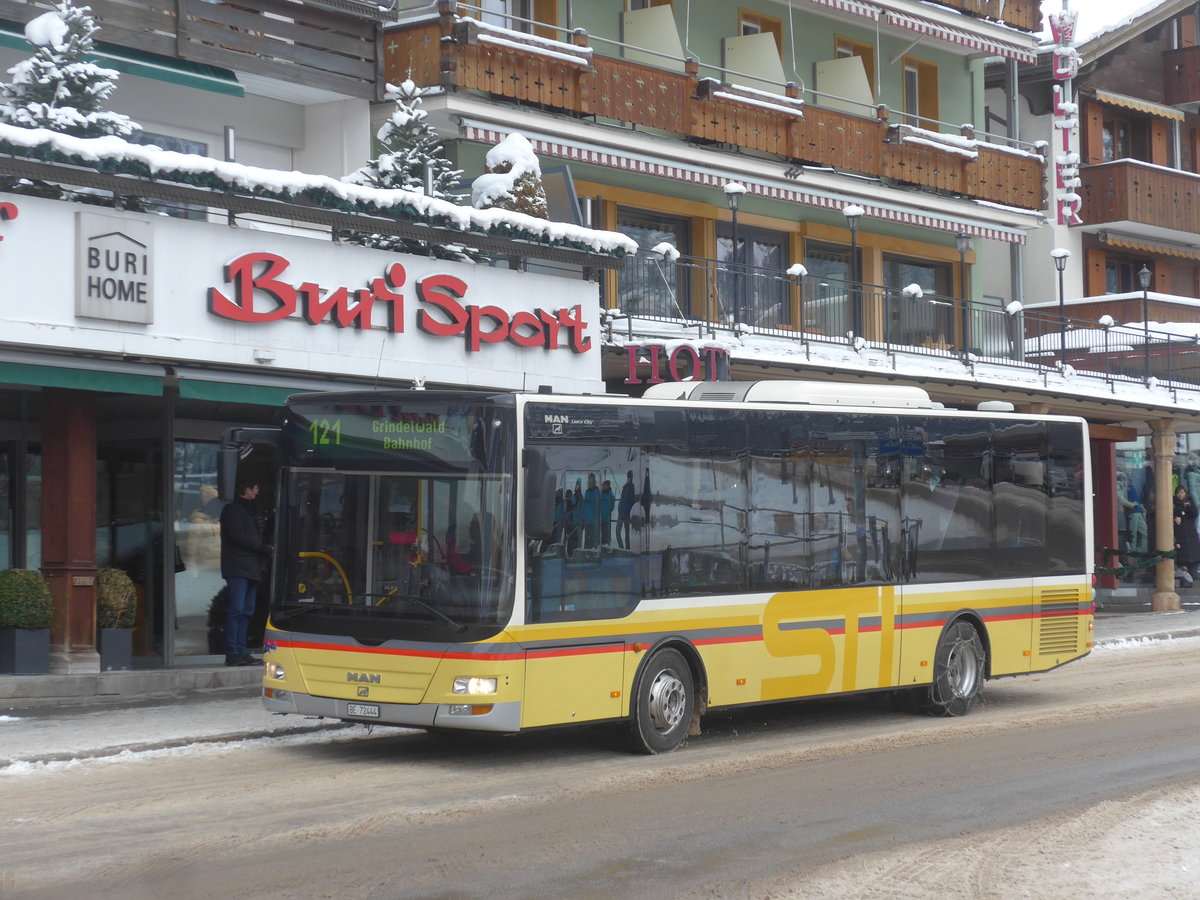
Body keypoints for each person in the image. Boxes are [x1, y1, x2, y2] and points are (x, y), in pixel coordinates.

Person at [220, 479, 272, 667]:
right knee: (237, 610)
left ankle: (241, 651)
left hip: (251, 568)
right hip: (238, 567)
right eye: (255, 488)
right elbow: (238, 537)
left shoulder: (249, 511)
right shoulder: (233, 510)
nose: (257, 492)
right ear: (246, 489)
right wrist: (262, 547)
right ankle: (233, 652)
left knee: (246, 611)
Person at [1173, 485, 1200, 583]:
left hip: (1191, 536)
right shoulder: (1174, 506)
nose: (1180, 495)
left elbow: (1195, 514)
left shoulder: (1189, 503)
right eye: (1178, 493)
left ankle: (1194, 578)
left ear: (1185, 493)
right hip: (1181, 538)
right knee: (1183, 563)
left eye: (1182, 492)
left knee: (1193, 561)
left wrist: (1188, 506)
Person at [617, 470, 636, 549]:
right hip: (621, 512)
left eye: (629, 476)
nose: (628, 478)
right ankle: (622, 548)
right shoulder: (625, 486)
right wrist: (620, 509)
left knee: (626, 532)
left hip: (626, 513)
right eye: (628, 476)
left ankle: (627, 548)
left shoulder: (631, 487)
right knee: (618, 531)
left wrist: (625, 511)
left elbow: (630, 502)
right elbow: (622, 499)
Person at [599, 479, 615, 548]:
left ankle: (607, 546)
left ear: (607, 486)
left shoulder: (610, 495)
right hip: (601, 516)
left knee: (607, 532)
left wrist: (608, 511)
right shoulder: (601, 494)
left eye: (604, 486)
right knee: (602, 532)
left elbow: (612, 506)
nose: (603, 487)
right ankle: (603, 545)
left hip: (607, 516)